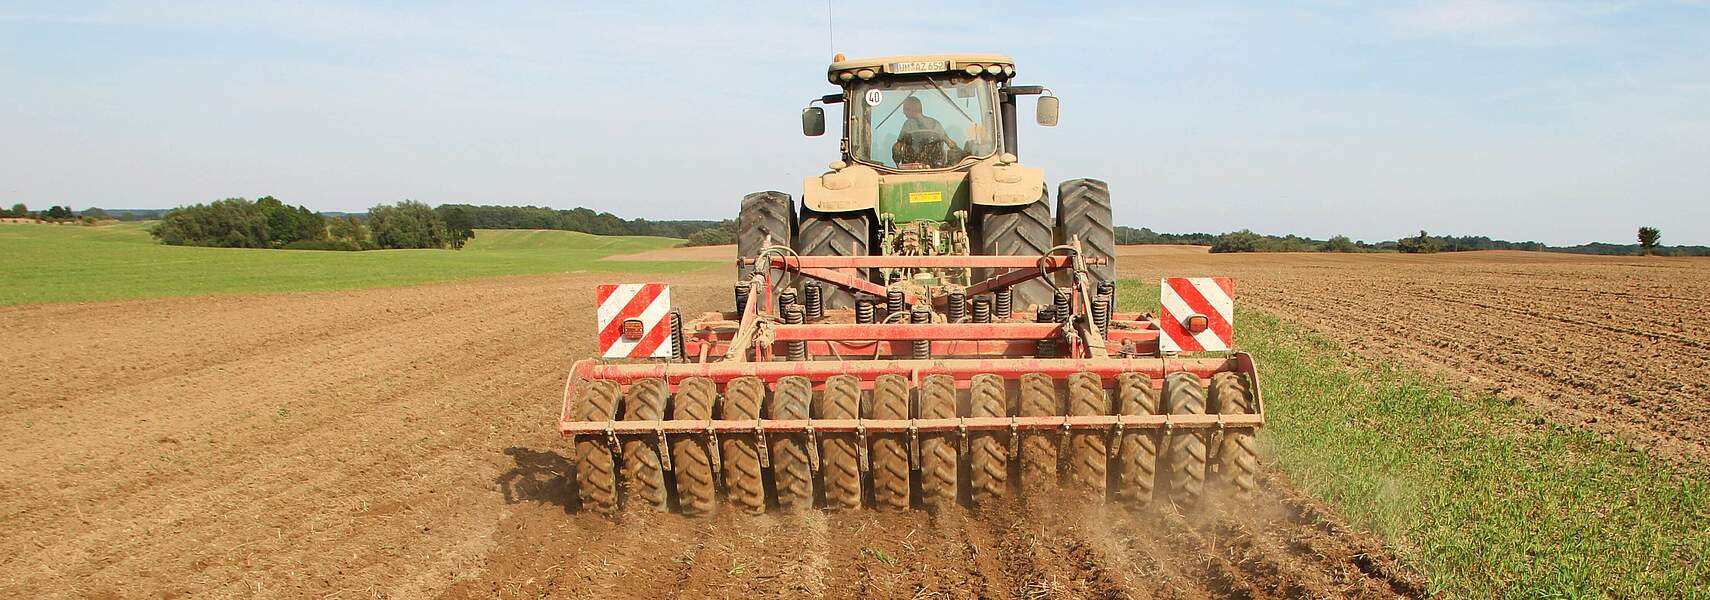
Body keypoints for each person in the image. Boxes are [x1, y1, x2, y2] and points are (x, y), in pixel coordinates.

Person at [892, 96, 958, 167]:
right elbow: (951, 144)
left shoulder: (908, 125)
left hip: (912, 173)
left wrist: (896, 159)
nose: (904, 113)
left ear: (914, 109)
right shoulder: (935, 124)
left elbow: (897, 148)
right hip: (937, 170)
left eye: (906, 109)